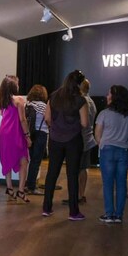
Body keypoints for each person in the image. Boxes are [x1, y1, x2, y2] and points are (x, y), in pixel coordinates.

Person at [42, 70, 89, 220]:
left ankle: (46, 208)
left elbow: (47, 118)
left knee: (52, 173)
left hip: (55, 139)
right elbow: (84, 123)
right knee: (72, 175)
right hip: (73, 140)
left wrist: (56, 128)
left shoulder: (54, 96)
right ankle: (73, 212)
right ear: (79, 84)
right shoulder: (80, 100)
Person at [95, 85, 128, 224]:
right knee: (121, 184)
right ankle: (119, 215)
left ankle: (109, 214)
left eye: (109, 94)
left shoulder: (104, 114)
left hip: (107, 150)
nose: (107, 96)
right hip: (124, 151)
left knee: (107, 184)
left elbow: (97, 134)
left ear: (114, 97)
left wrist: (102, 144)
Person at [0, 75, 31, 202]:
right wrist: (27, 136)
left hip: (4, 132)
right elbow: (22, 120)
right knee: (24, 160)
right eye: (17, 83)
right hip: (15, 133)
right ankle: (21, 190)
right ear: (13, 86)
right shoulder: (19, 100)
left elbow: (3, 115)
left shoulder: (2, 101)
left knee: (7, 158)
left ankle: (9, 188)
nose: (18, 85)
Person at [64, 79, 98, 204]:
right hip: (88, 139)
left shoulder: (81, 102)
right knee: (83, 168)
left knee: (74, 169)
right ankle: (80, 195)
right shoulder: (91, 102)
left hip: (78, 139)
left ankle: (75, 196)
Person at [24, 85, 49, 195]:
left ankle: (28, 184)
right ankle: (31, 187)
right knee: (36, 161)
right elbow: (47, 119)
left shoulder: (28, 104)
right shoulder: (43, 106)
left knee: (32, 161)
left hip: (31, 134)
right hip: (41, 134)